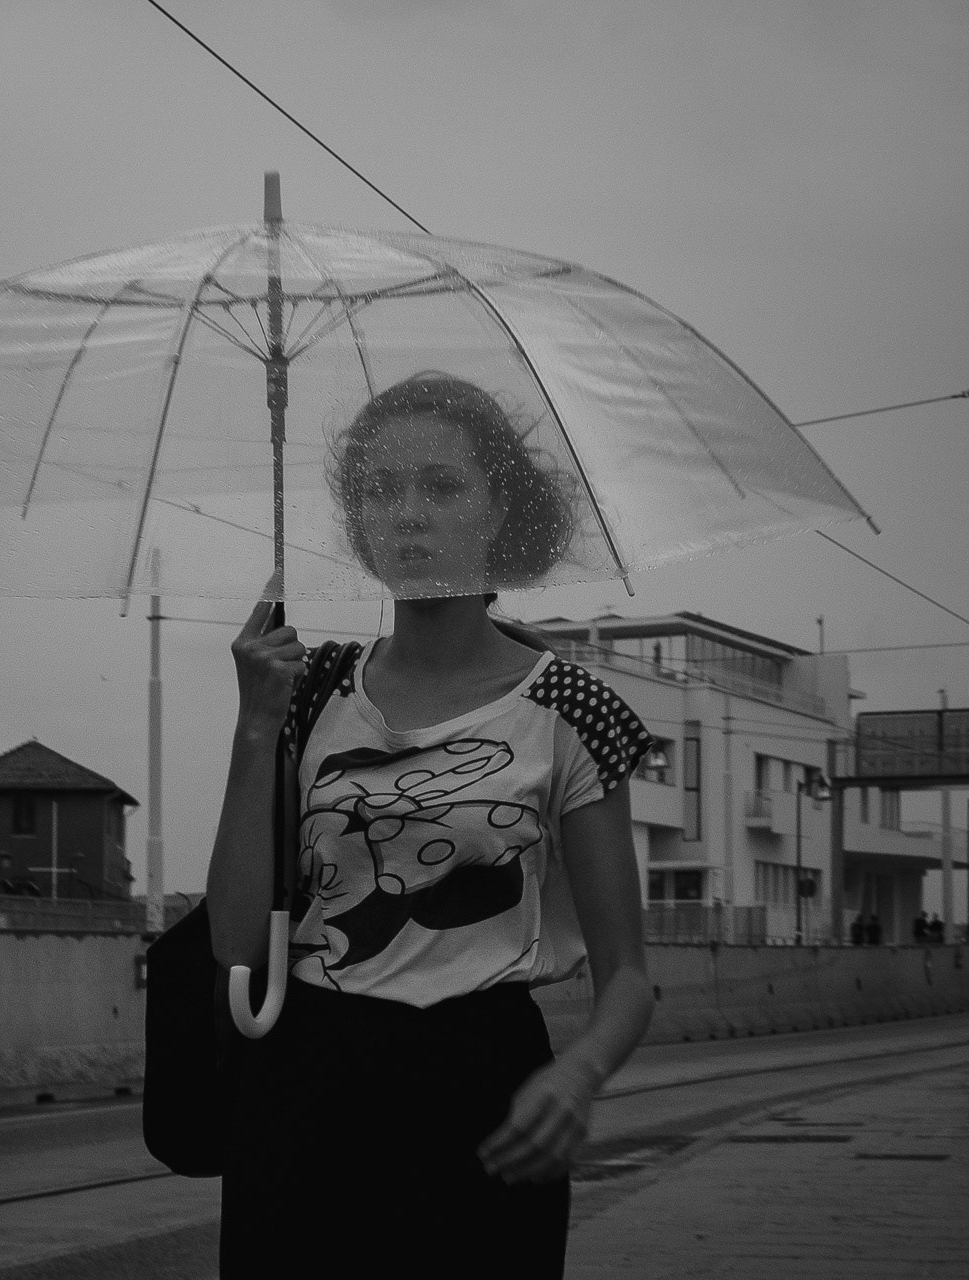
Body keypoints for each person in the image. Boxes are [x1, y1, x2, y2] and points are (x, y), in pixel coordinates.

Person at [208, 374, 655, 1279]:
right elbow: (233, 943)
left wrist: (577, 1076)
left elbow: (630, 978)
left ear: (501, 511)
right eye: (380, 490)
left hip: (481, 1100)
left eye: (443, 487)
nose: (407, 514)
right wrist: (256, 728)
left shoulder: (570, 709)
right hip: (305, 1098)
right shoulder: (306, 690)